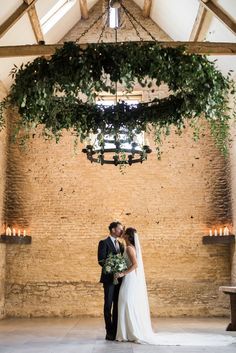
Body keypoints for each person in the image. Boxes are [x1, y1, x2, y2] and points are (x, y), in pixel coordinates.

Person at [115, 227, 236, 346]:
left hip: (130, 279)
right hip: (130, 279)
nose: (122, 234)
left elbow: (135, 265)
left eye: (124, 233)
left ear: (128, 237)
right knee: (127, 303)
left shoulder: (130, 249)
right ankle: (129, 332)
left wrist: (122, 273)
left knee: (126, 302)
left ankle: (130, 332)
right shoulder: (129, 247)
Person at [97, 221, 124, 341]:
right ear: (113, 230)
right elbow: (101, 260)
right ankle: (109, 332)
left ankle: (116, 330)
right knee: (108, 305)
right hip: (109, 279)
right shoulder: (104, 243)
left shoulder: (120, 244)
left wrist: (120, 271)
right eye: (120, 229)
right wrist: (113, 269)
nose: (121, 231)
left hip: (120, 279)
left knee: (117, 305)